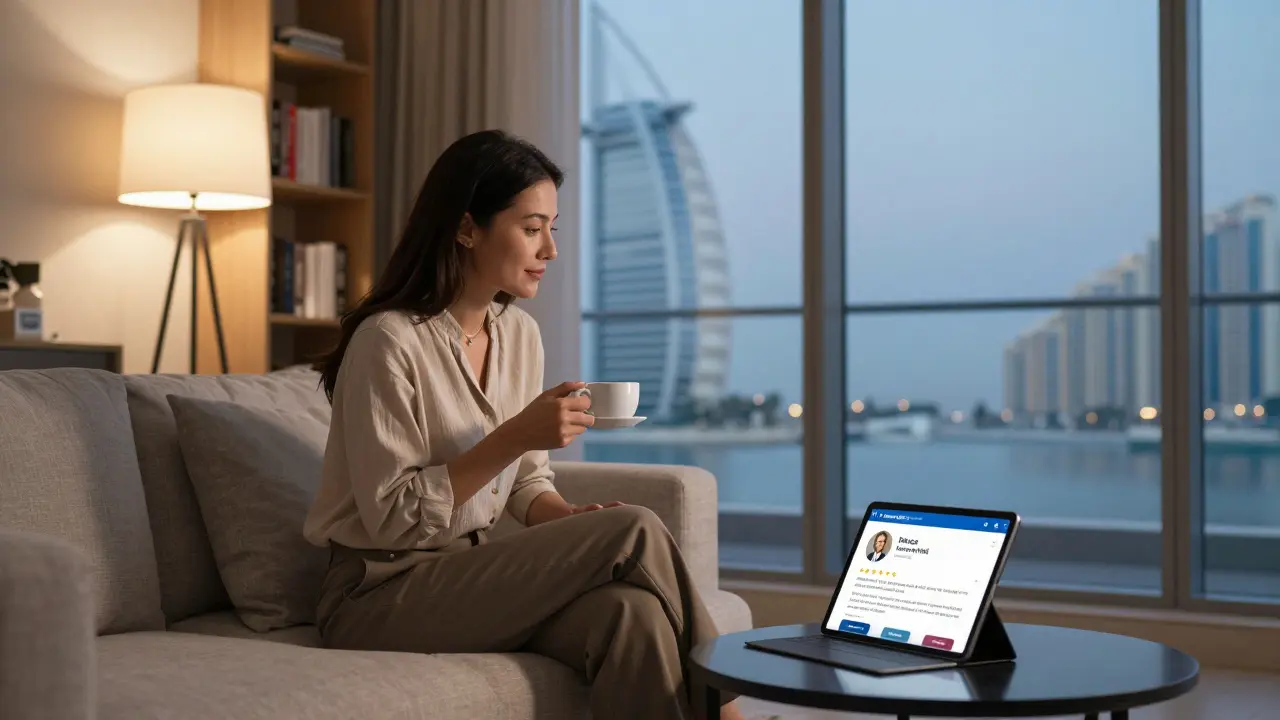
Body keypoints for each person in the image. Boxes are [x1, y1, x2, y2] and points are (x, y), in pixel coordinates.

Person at [303, 129, 744, 720]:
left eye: (552, 229)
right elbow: (391, 520)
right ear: (466, 228)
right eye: (532, 229)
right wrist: (516, 436)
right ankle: (734, 715)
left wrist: (566, 522)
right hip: (375, 593)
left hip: (463, 571)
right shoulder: (388, 341)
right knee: (635, 527)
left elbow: (526, 482)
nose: (550, 250)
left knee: (629, 614)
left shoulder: (519, 335)